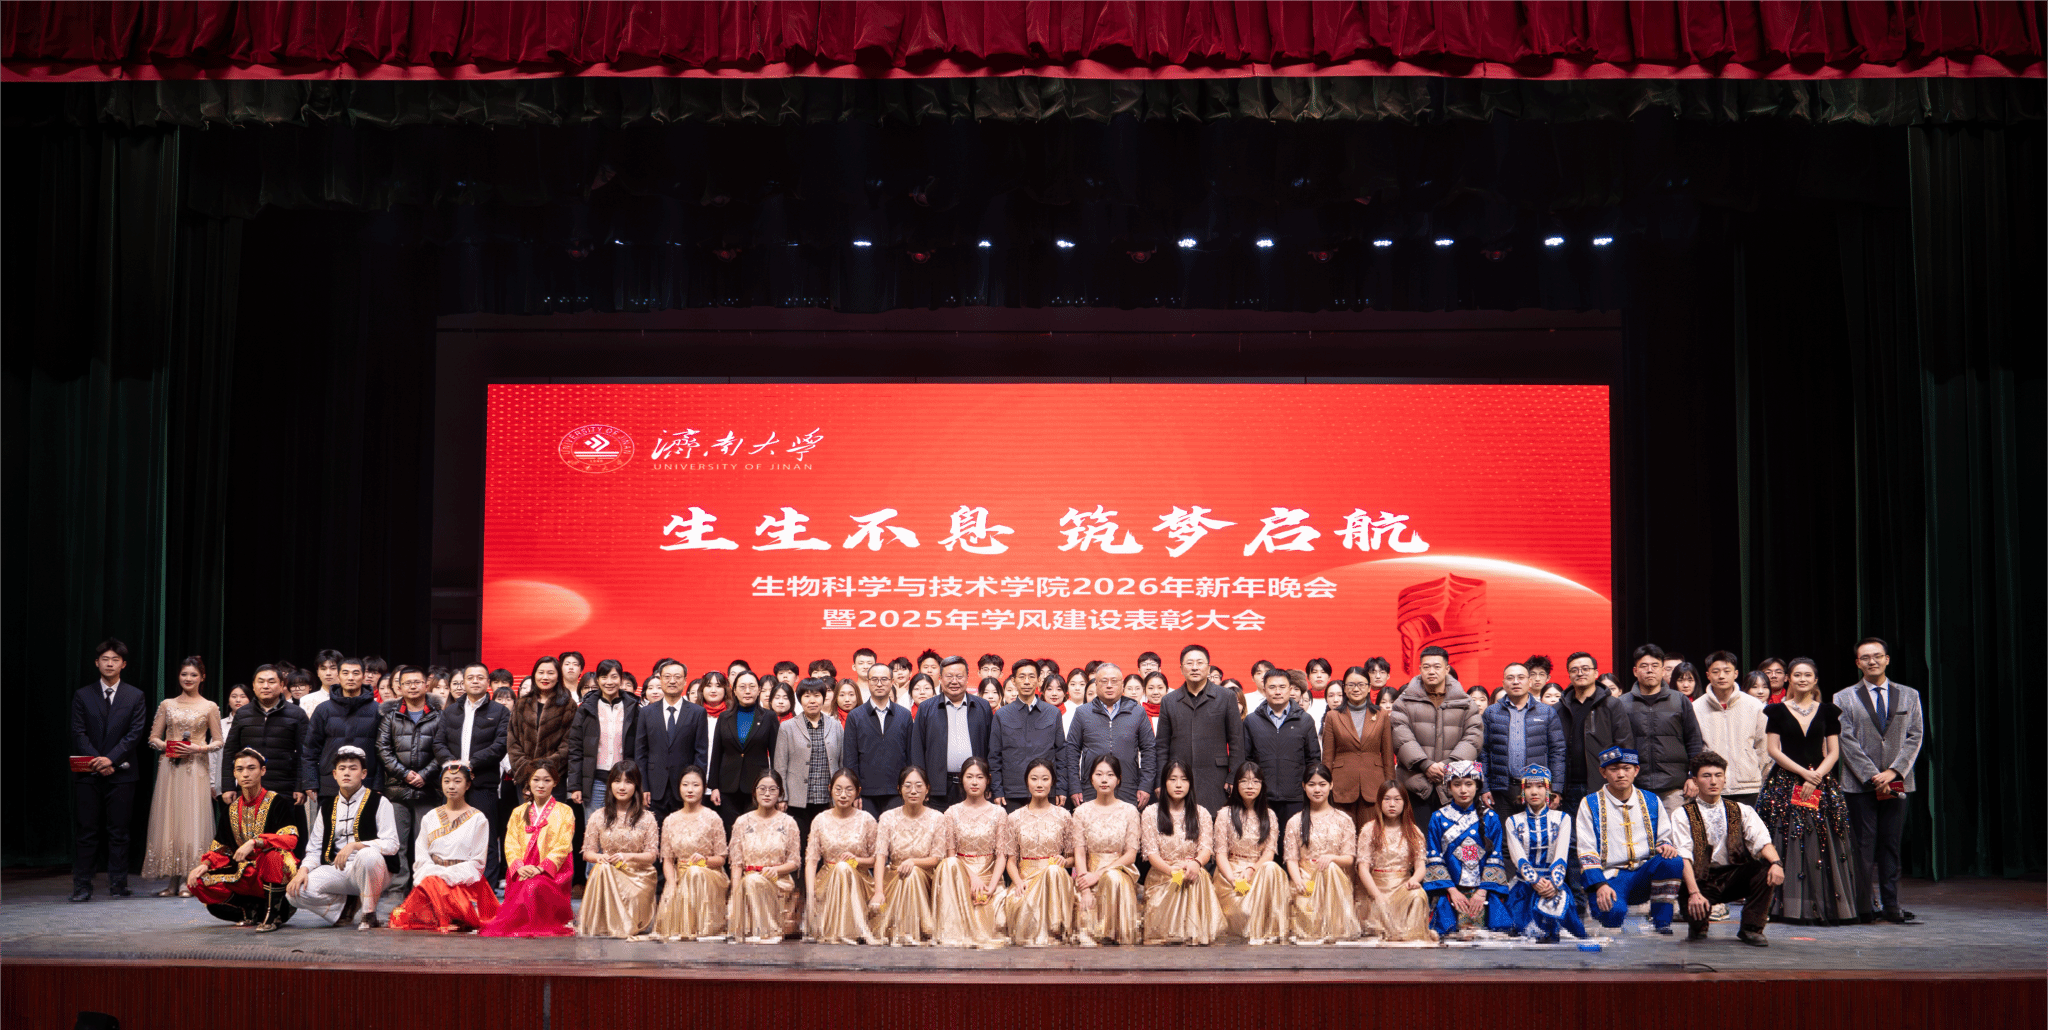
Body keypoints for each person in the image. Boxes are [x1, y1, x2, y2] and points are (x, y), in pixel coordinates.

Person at [1759, 657, 1862, 925]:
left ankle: (1824, 904)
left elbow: (1834, 752)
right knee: (1788, 840)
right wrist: (1804, 774)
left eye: (1807, 675)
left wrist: (1815, 778)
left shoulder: (1828, 711)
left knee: (1822, 841)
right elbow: (1773, 750)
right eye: (1797, 675)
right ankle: (1785, 906)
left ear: (1815, 680)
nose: (1802, 679)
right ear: (1788, 679)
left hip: (1820, 783)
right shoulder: (1776, 711)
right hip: (1785, 783)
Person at [1835, 637, 1923, 924]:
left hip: (1897, 782)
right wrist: (1873, 775)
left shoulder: (1909, 695)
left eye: (1877, 656)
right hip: (1860, 784)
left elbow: (1915, 736)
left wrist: (1894, 772)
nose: (1872, 661)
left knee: (1891, 845)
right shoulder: (1843, 697)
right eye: (1865, 657)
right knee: (1863, 847)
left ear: (1887, 659)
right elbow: (1846, 740)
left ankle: (1891, 905)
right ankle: (1863, 906)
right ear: (1857, 663)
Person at [1674, 751, 1781, 946]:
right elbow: (1683, 857)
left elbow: (1762, 840)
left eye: (1718, 775)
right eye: (1706, 776)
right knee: (1698, 933)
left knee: (1765, 868)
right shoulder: (1682, 814)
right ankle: (1699, 924)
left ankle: (1751, 928)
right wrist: (1694, 893)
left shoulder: (1741, 810)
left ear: (1724, 779)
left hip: (1733, 876)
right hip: (1700, 880)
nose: (1713, 781)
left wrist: (1776, 863)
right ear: (1695, 781)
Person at [70, 638, 149, 902]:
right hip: (87, 773)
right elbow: (78, 732)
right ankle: (82, 886)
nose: (110, 664)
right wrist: (98, 760)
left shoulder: (135, 695)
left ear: (123, 664)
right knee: (86, 832)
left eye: (115, 660)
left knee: (119, 832)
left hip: (123, 774)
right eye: (105, 659)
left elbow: (135, 733)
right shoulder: (82, 695)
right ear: (97, 663)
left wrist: (111, 759)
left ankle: (118, 884)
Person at [187, 749, 301, 930]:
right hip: (245, 874)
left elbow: (290, 839)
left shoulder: (277, 802)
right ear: (234, 773)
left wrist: (256, 842)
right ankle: (249, 908)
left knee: (272, 857)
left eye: (251, 768)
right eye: (240, 769)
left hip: (272, 873)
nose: (245, 774)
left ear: (263, 771)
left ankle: (273, 913)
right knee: (198, 880)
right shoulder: (231, 809)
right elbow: (222, 848)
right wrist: (206, 864)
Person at [1575, 747, 1683, 934]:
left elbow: (1664, 837)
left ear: (1636, 770)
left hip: (1643, 874)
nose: (1621, 774)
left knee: (1672, 861)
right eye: (1614, 769)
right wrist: (1600, 884)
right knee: (1612, 915)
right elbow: (1586, 850)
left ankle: (1662, 921)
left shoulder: (1651, 800)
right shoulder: (1590, 803)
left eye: (1626, 768)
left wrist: (1665, 845)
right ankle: (1605, 908)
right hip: (1609, 877)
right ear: (1603, 772)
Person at [288, 746, 398, 929]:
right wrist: (303, 870)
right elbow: (315, 848)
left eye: (353, 768)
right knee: (295, 892)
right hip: (338, 869)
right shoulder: (327, 807)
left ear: (363, 774)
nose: (347, 773)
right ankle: (345, 908)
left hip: (374, 870)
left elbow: (392, 844)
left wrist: (355, 846)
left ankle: (369, 913)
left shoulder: (380, 801)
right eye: (342, 768)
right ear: (334, 774)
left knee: (367, 856)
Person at [143, 656, 225, 895]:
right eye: (184, 674)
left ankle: (189, 880)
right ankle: (172, 880)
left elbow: (218, 741)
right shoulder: (167, 704)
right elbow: (153, 738)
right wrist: (168, 745)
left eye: (193, 675)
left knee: (192, 821)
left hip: (195, 769)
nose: (188, 679)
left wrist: (198, 748)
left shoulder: (209, 706)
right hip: (170, 768)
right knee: (170, 821)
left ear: (202, 678)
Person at [388, 763, 499, 932]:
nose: (451, 786)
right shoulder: (430, 817)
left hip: (463, 881)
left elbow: (477, 862)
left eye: (457, 781)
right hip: (432, 877)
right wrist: (437, 873)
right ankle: (446, 917)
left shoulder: (478, 819)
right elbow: (422, 854)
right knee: (409, 912)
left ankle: (451, 916)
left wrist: (447, 875)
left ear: (468, 785)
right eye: (447, 781)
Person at [1389, 646, 1485, 827]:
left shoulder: (1465, 702)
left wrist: (1448, 766)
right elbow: (1400, 736)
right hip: (1415, 786)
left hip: (1454, 785)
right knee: (1418, 840)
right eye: (1426, 667)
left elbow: (1473, 737)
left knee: (1453, 840)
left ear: (1447, 669)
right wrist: (1425, 765)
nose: (1431, 671)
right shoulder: (1404, 701)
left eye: (1437, 666)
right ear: (1419, 669)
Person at [436, 663, 510, 886]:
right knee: (450, 836)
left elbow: (500, 745)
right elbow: (438, 743)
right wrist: (454, 767)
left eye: (480, 677)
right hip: (453, 783)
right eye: (470, 678)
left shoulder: (500, 711)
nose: (475, 681)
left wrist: (470, 765)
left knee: (485, 837)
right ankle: (452, 885)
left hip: (483, 783)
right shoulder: (450, 711)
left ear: (488, 682)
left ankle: (486, 888)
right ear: (463, 682)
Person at [481, 763, 576, 937]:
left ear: (555, 782)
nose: (541, 785)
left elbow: (563, 845)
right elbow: (511, 844)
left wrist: (541, 868)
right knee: (527, 884)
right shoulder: (518, 812)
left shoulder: (565, 811)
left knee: (534, 885)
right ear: (529, 782)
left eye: (547, 780)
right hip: (523, 869)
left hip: (552, 872)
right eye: (536, 780)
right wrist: (519, 867)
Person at [1419, 760, 1510, 938]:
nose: (1463, 790)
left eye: (1469, 784)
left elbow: (1495, 857)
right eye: (1457, 784)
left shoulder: (1491, 818)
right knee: (1443, 929)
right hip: (1449, 890)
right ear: (1449, 787)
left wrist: (1482, 893)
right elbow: (1434, 857)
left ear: (1478, 786)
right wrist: (1453, 892)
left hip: (1484, 891)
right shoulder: (1438, 818)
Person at [1153, 644, 1246, 814]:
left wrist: (1234, 777)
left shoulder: (1226, 697)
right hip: (1178, 778)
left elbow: (1236, 741)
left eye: (1200, 662)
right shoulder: (1169, 701)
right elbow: (1161, 746)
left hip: (1216, 778)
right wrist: (1160, 780)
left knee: (1214, 822)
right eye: (1189, 663)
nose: (1194, 667)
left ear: (1208, 668)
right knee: (1180, 822)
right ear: (1181, 668)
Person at [376, 665, 443, 898]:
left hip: (429, 790)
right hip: (397, 790)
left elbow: (443, 749)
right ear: (400, 687)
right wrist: (405, 774)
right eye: (407, 683)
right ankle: (397, 889)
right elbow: (383, 749)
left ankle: (423, 888)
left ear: (426, 685)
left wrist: (425, 774)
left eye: (417, 682)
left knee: (425, 843)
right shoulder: (390, 716)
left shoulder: (439, 716)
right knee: (398, 844)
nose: (412, 687)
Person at [1139, 761, 1222, 945]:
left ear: (1190, 783)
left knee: (1198, 874)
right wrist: (1172, 871)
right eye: (1173, 779)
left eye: (1184, 780)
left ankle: (1194, 933)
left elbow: (1206, 848)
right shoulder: (1150, 813)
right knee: (1182, 878)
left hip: (1191, 870)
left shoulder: (1201, 813)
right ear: (1164, 783)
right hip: (1163, 874)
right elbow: (1151, 854)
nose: (1178, 785)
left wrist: (1196, 863)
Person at [1501, 765, 1585, 942]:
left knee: (1562, 932)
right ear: (1522, 791)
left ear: (1548, 790)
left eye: (1540, 786)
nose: (1534, 792)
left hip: (1554, 885)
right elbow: (1518, 858)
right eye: (1528, 787)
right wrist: (1535, 881)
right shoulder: (1513, 821)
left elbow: (1561, 856)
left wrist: (1553, 884)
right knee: (1520, 932)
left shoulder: (1562, 818)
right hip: (1524, 886)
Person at [933, 757, 1011, 948]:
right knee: (949, 864)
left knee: (993, 919)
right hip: (960, 877)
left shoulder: (999, 813)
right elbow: (951, 855)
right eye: (969, 777)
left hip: (990, 877)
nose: (974, 782)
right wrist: (971, 878)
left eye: (979, 777)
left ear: (988, 780)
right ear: (962, 779)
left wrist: (991, 887)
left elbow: (1002, 855)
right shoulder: (951, 813)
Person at [577, 761, 660, 938]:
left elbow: (651, 855)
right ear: (610, 785)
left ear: (636, 786)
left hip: (638, 877)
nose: (622, 787)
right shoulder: (598, 816)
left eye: (628, 782)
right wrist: (599, 858)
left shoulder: (647, 818)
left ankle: (626, 922)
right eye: (617, 781)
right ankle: (606, 923)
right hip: (609, 872)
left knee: (605, 870)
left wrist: (627, 856)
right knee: (602, 868)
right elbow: (587, 852)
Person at [1620, 644, 1706, 813]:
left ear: (1663, 671)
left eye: (1655, 666)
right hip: (1635, 787)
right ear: (1635, 671)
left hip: (1675, 789)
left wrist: (1694, 777)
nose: (1649, 670)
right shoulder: (1622, 703)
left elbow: (1694, 742)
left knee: (1676, 830)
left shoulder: (1679, 700)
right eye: (1644, 666)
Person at [1282, 763, 1359, 944]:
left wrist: (1332, 858)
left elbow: (1349, 858)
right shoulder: (1295, 821)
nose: (1317, 789)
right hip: (1306, 880)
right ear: (1304, 786)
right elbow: (1291, 859)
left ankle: (1335, 926)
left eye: (1322, 784)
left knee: (1330, 868)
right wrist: (1298, 881)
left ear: (1331, 785)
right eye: (1312, 784)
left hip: (1335, 881)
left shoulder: (1344, 820)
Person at [872, 765, 948, 946]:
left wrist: (913, 862)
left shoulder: (937, 818)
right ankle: (903, 930)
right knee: (907, 876)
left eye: (919, 786)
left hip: (925, 879)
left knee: (913, 874)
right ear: (899, 789)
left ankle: (917, 930)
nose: (913, 791)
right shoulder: (887, 817)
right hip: (894, 877)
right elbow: (880, 856)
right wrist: (878, 891)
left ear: (927, 789)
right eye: (907, 786)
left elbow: (936, 859)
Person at [1003, 758, 1076, 947]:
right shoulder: (1014, 818)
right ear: (1027, 781)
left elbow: (1072, 859)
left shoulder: (1064, 816)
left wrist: (1064, 862)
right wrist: (1018, 882)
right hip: (1026, 879)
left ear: (1052, 782)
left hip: (1055, 880)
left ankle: (1056, 930)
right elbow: (1010, 861)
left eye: (1045, 779)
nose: (1039, 784)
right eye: (1034, 778)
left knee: (1053, 871)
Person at [1553, 652, 1635, 819]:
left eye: (1585, 669)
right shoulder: (1558, 708)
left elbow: (1624, 744)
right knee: (1572, 834)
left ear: (1596, 673)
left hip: (1603, 784)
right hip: (1568, 789)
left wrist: (1619, 779)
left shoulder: (1611, 704)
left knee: (1604, 831)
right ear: (1569, 674)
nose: (1580, 673)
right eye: (1574, 670)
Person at [1071, 755, 1142, 946]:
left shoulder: (1129, 811)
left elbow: (1130, 855)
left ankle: (1114, 933)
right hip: (1088, 874)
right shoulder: (1081, 812)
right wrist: (1085, 887)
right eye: (1099, 774)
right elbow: (1079, 854)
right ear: (1091, 779)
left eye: (1110, 775)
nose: (1104, 780)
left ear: (1118, 779)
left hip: (1120, 871)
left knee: (1112, 878)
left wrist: (1100, 874)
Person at [804, 768, 880, 945]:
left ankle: (850, 930)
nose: (843, 795)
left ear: (858, 792)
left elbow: (876, 859)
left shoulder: (867, 819)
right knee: (840, 868)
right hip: (827, 880)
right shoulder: (820, 820)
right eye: (838, 789)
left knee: (844, 867)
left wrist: (856, 860)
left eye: (849, 790)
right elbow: (811, 860)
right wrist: (810, 893)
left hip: (859, 879)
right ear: (830, 789)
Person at [907, 656, 994, 811]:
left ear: (967, 678)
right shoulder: (926, 708)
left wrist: (989, 784)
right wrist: (921, 785)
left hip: (974, 786)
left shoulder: (982, 707)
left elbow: (991, 748)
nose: (954, 681)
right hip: (937, 789)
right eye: (949, 676)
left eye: (959, 676)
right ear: (940, 678)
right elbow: (917, 749)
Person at [653, 766, 729, 941]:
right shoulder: (670, 820)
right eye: (685, 784)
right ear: (679, 787)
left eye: (695, 785)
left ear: (704, 788)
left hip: (708, 874)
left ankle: (702, 926)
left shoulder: (713, 818)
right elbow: (668, 860)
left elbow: (721, 858)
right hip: (680, 874)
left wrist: (704, 861)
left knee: (695, 872)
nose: (690, 789)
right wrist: (671, 883)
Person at [634, 660, 711, 832]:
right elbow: (640, 752)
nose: (672, 681)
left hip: (684, 788)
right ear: (660, 679)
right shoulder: (646, 712)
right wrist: (643, 786)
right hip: (654, 788)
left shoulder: (697, 712)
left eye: (677, 677)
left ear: (685, 681)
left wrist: (695, 786)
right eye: (667, 677)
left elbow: (701, 753)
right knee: (655, 835)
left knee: (684, 835)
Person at [1481, 662, 1567, 817]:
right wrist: (1484, 788)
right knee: (1505, 832)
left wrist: (1556, 789)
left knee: (1537, 831)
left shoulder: (1547, 712)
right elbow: (1483, 752)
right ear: (1503, 683)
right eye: (1510, 678)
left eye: (1521, 677)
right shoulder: (1491, 713)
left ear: (1530, 681)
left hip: (1537, 789)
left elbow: (1558, 752)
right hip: (1501, 790)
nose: (1516, 682)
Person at [1066, 663, 1156, 809]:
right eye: (1104, 681)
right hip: (1091, 788)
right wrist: (1074, 786)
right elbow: (1071, 751)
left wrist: (1145, 786)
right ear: (1096, 685)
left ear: (1122, 685)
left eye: (1114, 681)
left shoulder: (1137, 712)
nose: (1109, 685)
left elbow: (1149, 750)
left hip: (1128, 788)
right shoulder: (1083, 713)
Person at [1355, 779, 1435, 942]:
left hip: (1402, 887)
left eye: (1397, 799)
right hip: (1376, 888)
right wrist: (1377, 895)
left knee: (1418, 894)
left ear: (1405, 803)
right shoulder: (1369, 829)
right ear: (1379, 802)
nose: (1392, 804)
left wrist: (1414, 880)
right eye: (1387, 799)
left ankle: (1411, 935)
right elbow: (1363, 868)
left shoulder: (1414, 832)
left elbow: (1420, 866)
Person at [1242, 669, 1322, 833]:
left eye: (1282, 687)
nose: (1277, 692)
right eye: (1272, 687)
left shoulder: (1305, 720)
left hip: (1295, 797)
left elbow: (1313, 760)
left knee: (1293, 843)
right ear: (1264, 689)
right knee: (1263, 842)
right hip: (1261, 796)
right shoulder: (1252, 721)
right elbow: (1246, 760)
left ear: (1290, 689)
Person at [987, 658, 1072, 809]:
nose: (1027, 681)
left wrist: (1060, 788)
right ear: (1014, 681)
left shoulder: (1053, 713)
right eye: (1022, 677)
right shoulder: (1002, 715)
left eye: (1031, 677)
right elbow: (995, 756)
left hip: (1046, 791)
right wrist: (997, 790)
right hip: (1012, 793)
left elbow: (1061, 754)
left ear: (1039, 680)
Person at [304, 657, 388, 807]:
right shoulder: (323, 709)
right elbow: (310, 749)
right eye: (345, 673)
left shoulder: (377, 710)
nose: (350, 677)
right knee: (328, 822)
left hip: (367, 784)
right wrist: (310, 782)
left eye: (355, 673)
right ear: (338, 676)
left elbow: (382, 752)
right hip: (330, 784)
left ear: (363, 676)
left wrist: (378, 785)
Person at [1323, 664, 1396, 829]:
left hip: (1374, 784)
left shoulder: (1381, 715)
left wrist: (1391, 786)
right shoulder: (1333, 716)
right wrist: (1325, 786)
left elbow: (1387, 756)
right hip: (1342, 786)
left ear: (1369, 687)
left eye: (1361, 684)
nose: (1356, 689)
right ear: (1344, 688)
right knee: (1342, 835)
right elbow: (1327, 758)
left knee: (1371, 834)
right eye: (1351, 685)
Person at [569, 659, 641, 822]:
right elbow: (575, 749)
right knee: (595, 827)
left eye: (614, 677)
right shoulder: (585, 709)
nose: (609, 682)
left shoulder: (633, 708)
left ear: (621, 679)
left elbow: (641, 748)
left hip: (626, 780)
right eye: (604, 677)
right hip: (595, 781)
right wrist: (575, 786)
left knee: (625, 827)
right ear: (598, 680)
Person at [775, 676, 844, 843]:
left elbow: (842, 763)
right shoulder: (787, 727)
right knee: (799, 844)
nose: (812, 700)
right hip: (797, 801)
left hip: (828, 799)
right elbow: (780, 765)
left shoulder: (835, 725)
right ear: (799, 700)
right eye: (807, 696)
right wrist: (782, 797)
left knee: (826, 844)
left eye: (817, 695)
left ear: (824, 698)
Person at [708, 672, 779, 831]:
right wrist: (714, 787)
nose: (747, 691)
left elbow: (776, 755)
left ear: (759, 690)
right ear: (734, 690)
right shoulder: (724, 717)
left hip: (758, 787)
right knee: (730, 831)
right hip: (727, 786)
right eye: (742, 687)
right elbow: (716, 753)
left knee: (753, 832)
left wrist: (776, 787)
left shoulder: (769, 717)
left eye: (752, 686)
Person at [845, 661, 913, 818]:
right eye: (874, 679)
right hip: (865, 794)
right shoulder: (855, 716)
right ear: (868, 682)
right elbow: (850, 758)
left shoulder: (904, 715)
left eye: (884, 679)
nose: (879, 684)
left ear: (892, 682)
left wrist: (908, 789)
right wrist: (854, 792)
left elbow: (910, 756)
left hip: (897, 792)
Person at [506, 656, 577, 805]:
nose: (545, 677)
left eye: (550, 673)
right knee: (527, 817)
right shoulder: (522, 704)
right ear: (534, 675)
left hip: (554, 778)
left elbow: (569, 743)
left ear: (558, 676)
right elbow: (513, 741)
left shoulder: (568, 705)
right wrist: (529, 770)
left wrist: (545, 770)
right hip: (526, 778)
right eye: (541, 672)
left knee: (553, 818)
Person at [211, 682, 251, 792]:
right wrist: (212, 782)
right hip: (224, 782)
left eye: (243, 697)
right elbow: (213, 755)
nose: (238, 700)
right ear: (228, 701)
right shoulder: (220, 724)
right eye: (234, 696)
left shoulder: (256, 723)